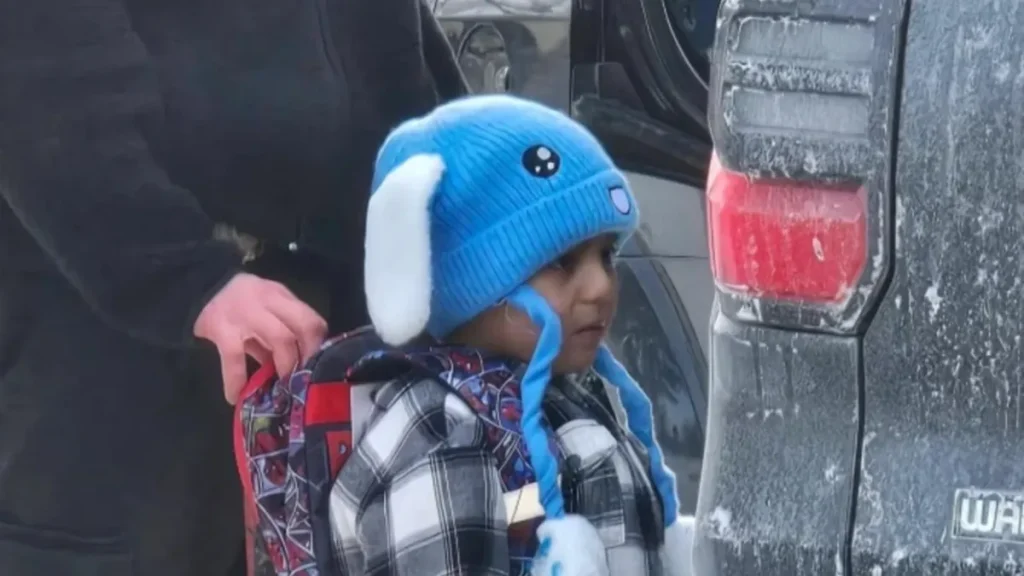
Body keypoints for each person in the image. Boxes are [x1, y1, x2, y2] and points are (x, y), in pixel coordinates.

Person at [0, 1, 467, 574]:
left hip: (343, 349)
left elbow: (412, 90)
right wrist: (190, 277)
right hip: (120, 358)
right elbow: (49, 114)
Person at [328, 95, 693, 575]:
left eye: (606, 255)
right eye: (560, 261)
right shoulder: (443, 433)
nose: (601, 287)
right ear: (476, 287)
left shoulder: (563, 392)